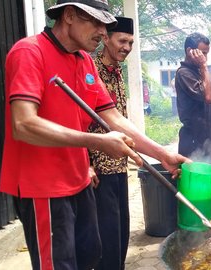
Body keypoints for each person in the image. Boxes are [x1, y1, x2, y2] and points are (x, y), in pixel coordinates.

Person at [0, 2, 190, 269]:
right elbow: (24, 124)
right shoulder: (29, 52)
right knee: (58, 264)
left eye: (105, 25)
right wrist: (96, 141)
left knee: (91, 257)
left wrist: (163, 154)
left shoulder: (84, 60)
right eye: (96, 23)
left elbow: (112, 117)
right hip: (42, 186)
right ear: (68, 15)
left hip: (78, 180)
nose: (103, 32)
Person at [87, 16, 137, 270]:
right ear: (105, 39)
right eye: (122, 41)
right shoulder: (90, 69)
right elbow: (78, 120)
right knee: (105, 235)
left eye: (130, 42)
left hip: (119, 165)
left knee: (121, 231)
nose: (127, 47)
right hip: (98, 167)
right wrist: (87, 163)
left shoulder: (116, 71)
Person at [175, 32, 211, 158]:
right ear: (190, 50)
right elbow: (208, 97)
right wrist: (204, 66)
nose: (205, 57)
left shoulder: (198, 72)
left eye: (207, 53)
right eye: (203, 53)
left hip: (206, 137)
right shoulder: (184, 73)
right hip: (193, 141)